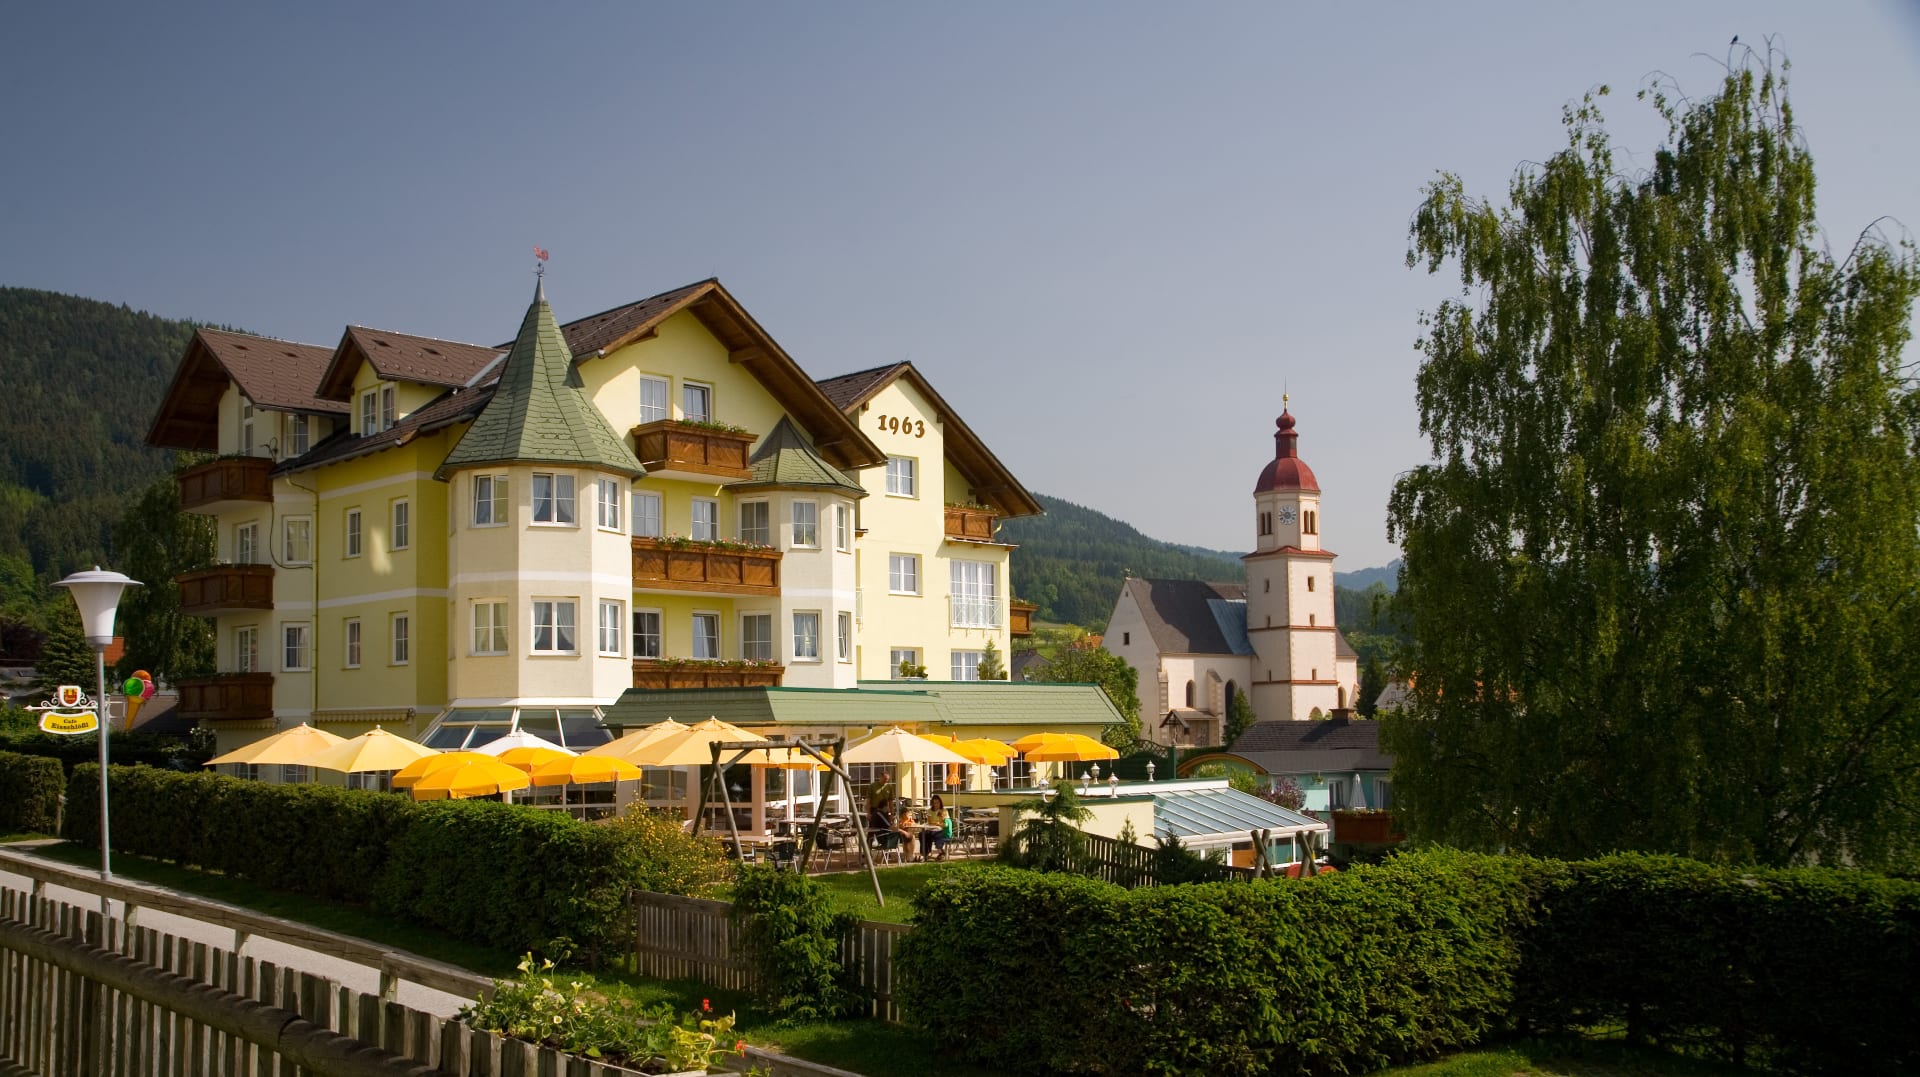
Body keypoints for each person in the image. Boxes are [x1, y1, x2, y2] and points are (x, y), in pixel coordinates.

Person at [919, 795, 954, 860]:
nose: (936, 804)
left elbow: (944, 822)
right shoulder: (929, 810)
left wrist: (936, 824)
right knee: (922, 834)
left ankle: (930, 853)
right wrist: (936, 823)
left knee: (931, 834)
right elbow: (929, 821)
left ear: (940, 802)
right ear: (932, 803)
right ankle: (925, 853)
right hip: (931, 828)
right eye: (934, 803)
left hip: (940, 830)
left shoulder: (944, 811)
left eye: (937, 802)